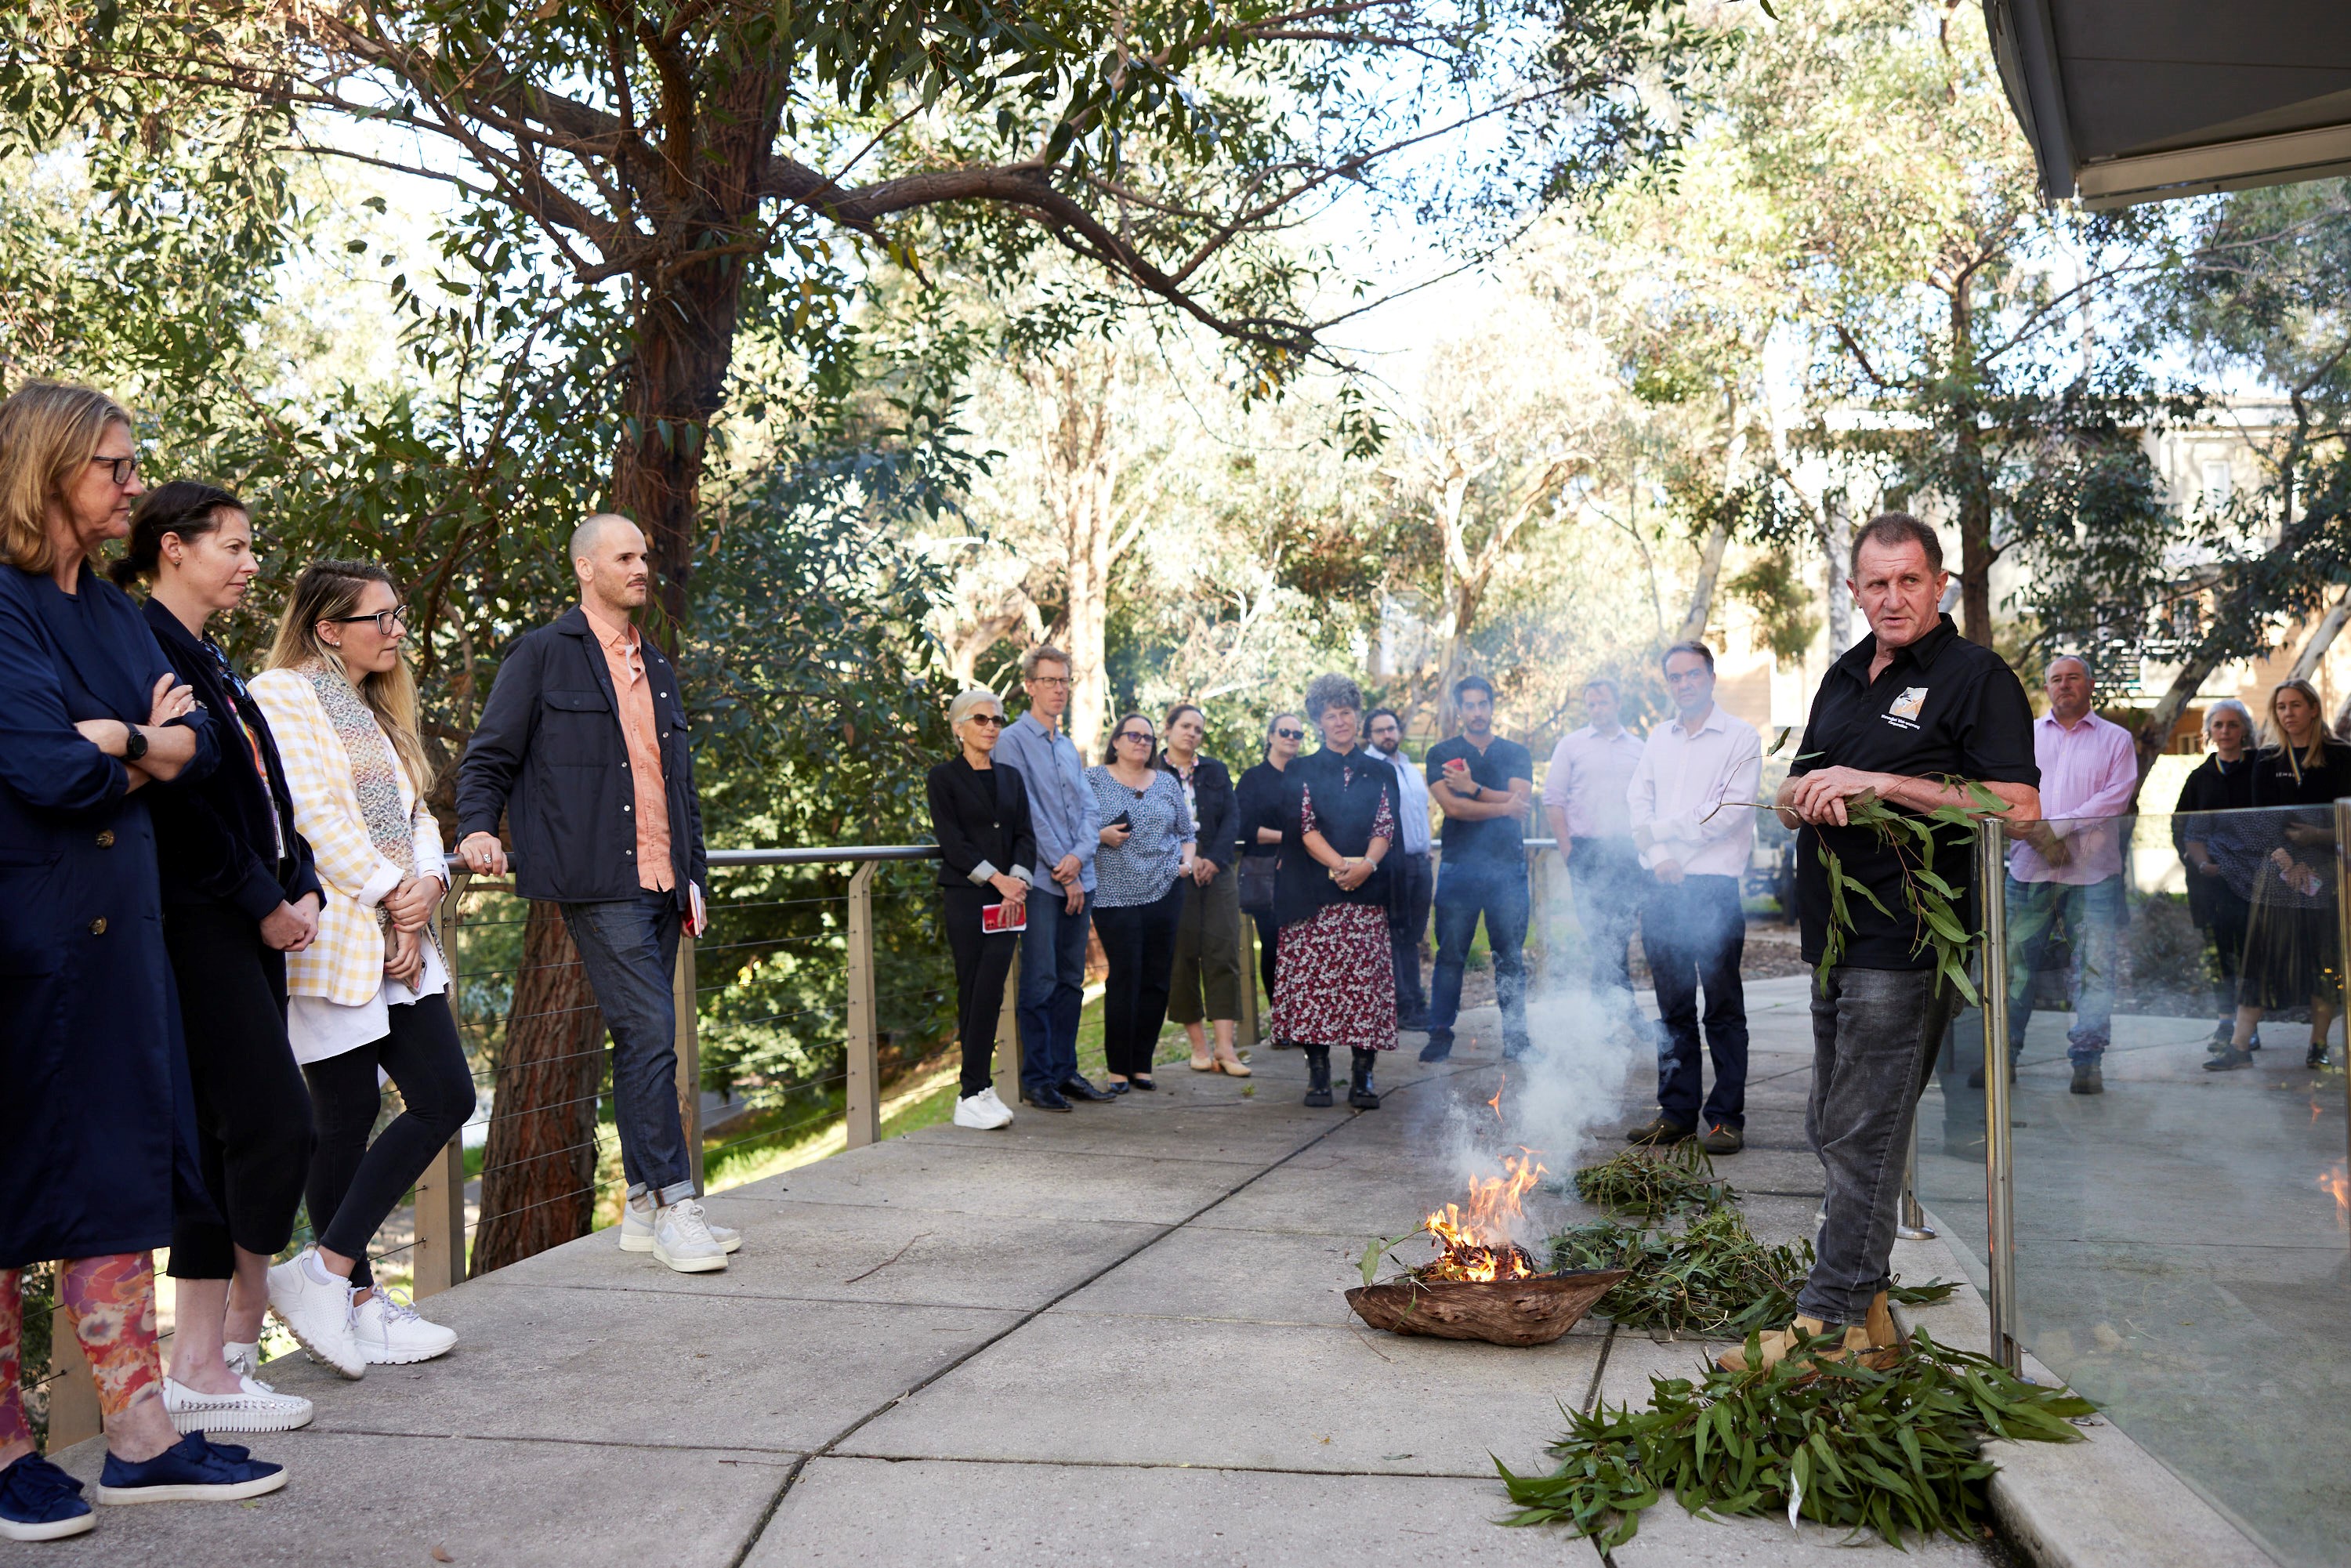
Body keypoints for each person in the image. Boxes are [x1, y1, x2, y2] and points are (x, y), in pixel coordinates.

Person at [0, 381, 284, 1542]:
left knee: (122, 1182)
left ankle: (141, 1439)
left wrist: (133, 739)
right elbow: (45, 772)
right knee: (10, 1187)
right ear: (50, 468)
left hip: (123, 944)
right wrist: (139, 741)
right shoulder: (5, 603)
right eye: (114, 466)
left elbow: (205, 745)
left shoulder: (117, 614)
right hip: (23, 944)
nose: (131, 483)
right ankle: (8, 1452)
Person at [1724, 512, 2038, 1374]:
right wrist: (1803, 797)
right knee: (1833, 1123)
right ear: (1856, 590)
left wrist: (1883, 783)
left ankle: (1824, 1321)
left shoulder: (1977, 678)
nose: (1893, 598)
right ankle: (1870, 1321)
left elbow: (2016, 807)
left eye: (1909, 581)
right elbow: (1796, 787)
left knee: (1865, 1130)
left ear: (1940, 585)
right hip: (1833, 934)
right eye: (1876, 584)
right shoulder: (1845, 675)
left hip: (1906, 938)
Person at [455, 515, 736, 1269]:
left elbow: (680, 787)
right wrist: (479, 829)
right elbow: (489, 757)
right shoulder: (543, 655)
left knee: (638, 1038)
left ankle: (642, 1207)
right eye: (626, 556)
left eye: (646, 554)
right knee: (651, 1032)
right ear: (586, 568)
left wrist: (695, 874)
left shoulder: (660, 665)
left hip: (662, 881)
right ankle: (678, 1203)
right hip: (596, 879)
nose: (643, 567)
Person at [118, 483, 321, 1435]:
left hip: (253, 914)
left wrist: (303, 877)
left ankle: (200, 1367)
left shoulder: (211, 659)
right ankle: (239, 1326)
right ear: (171, 548)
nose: (249, 564)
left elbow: (260, 786)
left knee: (217, 1137)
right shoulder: (141, 646)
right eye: (232, 546)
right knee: (277, 1122)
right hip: (200, 918)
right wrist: (261, 899)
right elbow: (179, 801)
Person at [252, 561, 468, 1373]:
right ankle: (360, 1303)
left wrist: (427, 885)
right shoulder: (283, 693)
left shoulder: (374, 712)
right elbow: (311, 817)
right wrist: (392, 896)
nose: (396, 630)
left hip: (400, 933)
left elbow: (415, 812)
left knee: (447, 1095)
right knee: (341, 1119)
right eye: (379, 617)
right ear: (326, 628)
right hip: (340, 936)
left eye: (398, 614)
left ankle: (327, 1273)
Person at [1624, 643, 1759, 1153]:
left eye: (1692, 674)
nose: (1684, 684)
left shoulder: (1741, 737)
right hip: (1661, 883)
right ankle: (1676, 1112)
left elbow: (1728, 811)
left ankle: (1725, 1118)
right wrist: (1659, 853)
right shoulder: (1659, 737)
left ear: (1711, 676)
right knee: (1673, 1008)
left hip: (1712, 890)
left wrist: (1661, 834)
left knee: (1722, 1008)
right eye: (1675, 677)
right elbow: (1637, 803)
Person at [1997, 655, 2139, 1095]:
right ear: (2047, 687)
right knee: (2013, 968)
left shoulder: (2117, 739)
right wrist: (2038, 836)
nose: (2064, 685)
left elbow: (2115, 800)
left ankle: (2087, 1063)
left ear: (2090, 685)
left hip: (2094, 877)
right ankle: (2005, 1057)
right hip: (2028, 871)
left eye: (2073, 677)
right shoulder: (2024, 737)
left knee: (2095, 971)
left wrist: (2058, 826)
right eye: (2056, 679)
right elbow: (2000, 793)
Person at [992, 645, 1117, 1110]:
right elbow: (1025, 811)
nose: (1059, 689)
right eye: (1049, 681)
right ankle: (1037, 1077)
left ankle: (1066, 1072)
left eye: (1064, 681)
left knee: (1071, 981)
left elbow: (1089, 810)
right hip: (1044, 884)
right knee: (1040, 980)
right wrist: (1064, 870)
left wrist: (1080, 860)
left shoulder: (1068, 746)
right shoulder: (1011, 740)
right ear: (1029, 685)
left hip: (1077, 878)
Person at [2205, 679, 2347, 1073]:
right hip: (2279, 873)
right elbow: (2259, 820)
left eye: (2296, 705)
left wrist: (2319, 838)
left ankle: (2318, 1046)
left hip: (2327, 873)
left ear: (2314, 708)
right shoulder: (2266, 761)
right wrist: (2287, 862)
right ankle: (2239, 1046)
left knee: (2326, 960)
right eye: (2281, 707)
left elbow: (2348, 818)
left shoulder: (2341, 756)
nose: (2288, 713)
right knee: (2261, 958)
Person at [1274, 674, 1400, 1109]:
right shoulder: (1300, 768)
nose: (1340, 721)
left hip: (1367, 895)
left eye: (1347, 712)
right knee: (1315, 991)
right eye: (1331, 714)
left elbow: (1386, 824)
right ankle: (1319, 1076)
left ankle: (1363, 1078)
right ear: (1319, 722)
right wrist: (1341, 866)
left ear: (1357, 717)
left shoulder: (1383, 771)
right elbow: (1303, 826)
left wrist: (1366, 866)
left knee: (1365, 989)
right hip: (1314, 896)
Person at [925, 688, 1031, 1130]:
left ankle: (978, 1089)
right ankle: (971, 1092)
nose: (991, 727)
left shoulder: (1011, 777)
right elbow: (953, 843)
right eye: (981, 719)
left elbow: (1025, 834)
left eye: (997, 720)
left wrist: (1019, 879)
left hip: (1010, 901)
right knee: (973, 988)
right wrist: (998, 879)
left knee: (992, 989)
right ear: (958, 727)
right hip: (970, 898)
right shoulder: (943, 778)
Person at [1421, 675, 1534, 1063]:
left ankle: (1517, 1039)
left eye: (1482, 704)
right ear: (1459, 710)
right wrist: (1502, 806)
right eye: (1468, 705)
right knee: (1450, 955)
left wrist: (1472, 788)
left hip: (1507, 869)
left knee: (1510, 956)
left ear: (1492, 706)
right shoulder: (1441, 753)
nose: (1476, 712)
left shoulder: (1516, 752)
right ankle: (1439, 1034)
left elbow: (1524, 800)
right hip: (1458, 868)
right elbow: (1454, 809)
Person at [1088, 713, 1198, 1092]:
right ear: (1115, 741)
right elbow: (1071, 826)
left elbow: (1186, 832)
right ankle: (1118, 1069)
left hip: (1166, 890)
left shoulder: (1166, 782)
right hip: (1114, 895)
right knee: (1125, 977)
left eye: (1148, 738)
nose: (1141, 742)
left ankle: (1142, 1065)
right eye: (1133, 735)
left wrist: (1186, 863)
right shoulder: (1093, 779)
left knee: (1156, 979)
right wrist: (1099, 834)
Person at [1542, 678, 1646, 1032]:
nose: (1596, 709)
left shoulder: (1639, 747)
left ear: (1617, 702)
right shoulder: (1571, 746)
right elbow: (1553, 800)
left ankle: (1607, 1018)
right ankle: (1617, 1016)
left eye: (1602, 702)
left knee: (1618, 936)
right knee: (1600, 935)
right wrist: (1569, 852)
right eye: (1591, 704)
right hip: (1586, 853)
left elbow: (1648, 801)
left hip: (1626, 853)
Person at [1161, 704, 1250, 1076]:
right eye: (1185, 726)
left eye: (1198, 729)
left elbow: (1233, 817)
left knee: (1223, 951)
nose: (1192, 734)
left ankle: (1226, 1049)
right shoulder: (1151, 771)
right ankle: (1199, 1048)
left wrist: (1212, 858)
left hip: (1219, 871)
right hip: (1171, 875)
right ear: (1168, 729)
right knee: (1180, 957)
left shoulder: (1215, 770)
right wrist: (1186, 859)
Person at [2174, 699, 2259, 1054]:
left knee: (2250, 955)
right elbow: (2181, 827)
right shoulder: (2199, 778)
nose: (2225, 732)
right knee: (2219, 956)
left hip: (2252, 884)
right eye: (2219, 725)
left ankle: (2248, 1028)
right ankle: (2225, 1023)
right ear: (2209, 732)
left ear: (2244, 731)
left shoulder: (2260, 770)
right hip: (2210, 886)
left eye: (2233, 724)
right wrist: (2198, 863)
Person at [1234, 712, 1303, 1034]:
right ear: (1271, 737)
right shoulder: (1252, 778)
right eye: (1285, 732)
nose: (1291, 737)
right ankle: (1282, 1024)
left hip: (1304, 876)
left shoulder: (1306, 776)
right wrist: (1291, 840)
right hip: (1265, 875)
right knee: (1275, 948)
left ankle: (1306, 1021)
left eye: (1297, 734)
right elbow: (1245, 828)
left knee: (1304, 950)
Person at [1367, 707, 1435, 1031]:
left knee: (1413, 936)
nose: (1387, 735)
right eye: (1379, 731)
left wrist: (1427, 848)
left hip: (1420, 862)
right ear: (1369, 736)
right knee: (1395, 936)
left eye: (1391, 729)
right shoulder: (1368, 769)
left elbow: (1419, 812)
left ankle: (1415, 1003)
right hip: (1391, 865)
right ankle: (1404, 1007)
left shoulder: (1409, 767)